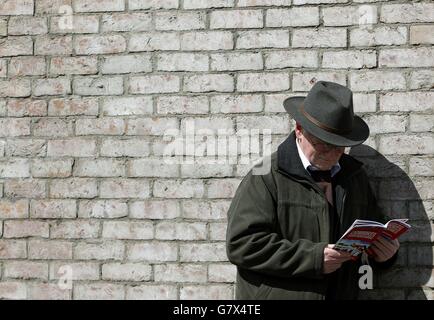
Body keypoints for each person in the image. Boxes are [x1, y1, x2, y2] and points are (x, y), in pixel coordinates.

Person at [226, 81, 399, 300]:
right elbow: (242, 245)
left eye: (340, 145)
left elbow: (371, 230)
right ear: (299, 129)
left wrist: (384, 255)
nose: (333, 153)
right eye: (324, 144)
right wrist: (314, 259)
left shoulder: (354, 177)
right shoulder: (265, 177)